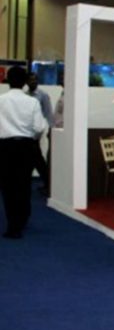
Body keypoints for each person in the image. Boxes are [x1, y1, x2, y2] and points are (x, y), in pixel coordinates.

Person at [0, 66, 49, 239]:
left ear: (8, 80)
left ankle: (12, 224)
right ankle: (23, 217)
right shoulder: (32, 102)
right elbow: (39, 127)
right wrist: (31, 138)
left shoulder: (1, 100)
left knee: (7, 186)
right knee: (23, 183)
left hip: (5, 146)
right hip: (26, 146)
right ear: (25, 82)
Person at [27, 72, 53, 195]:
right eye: (30, 80)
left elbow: (48, 114)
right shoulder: (25, 95)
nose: (33, 82)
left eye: (35, 79)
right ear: (26, 82)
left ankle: (48, 184)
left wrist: (51, 130)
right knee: (35, 158)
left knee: (36, 158)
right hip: (26, 132)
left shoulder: (43, 95)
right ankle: (47, 184)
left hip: (37, 132)